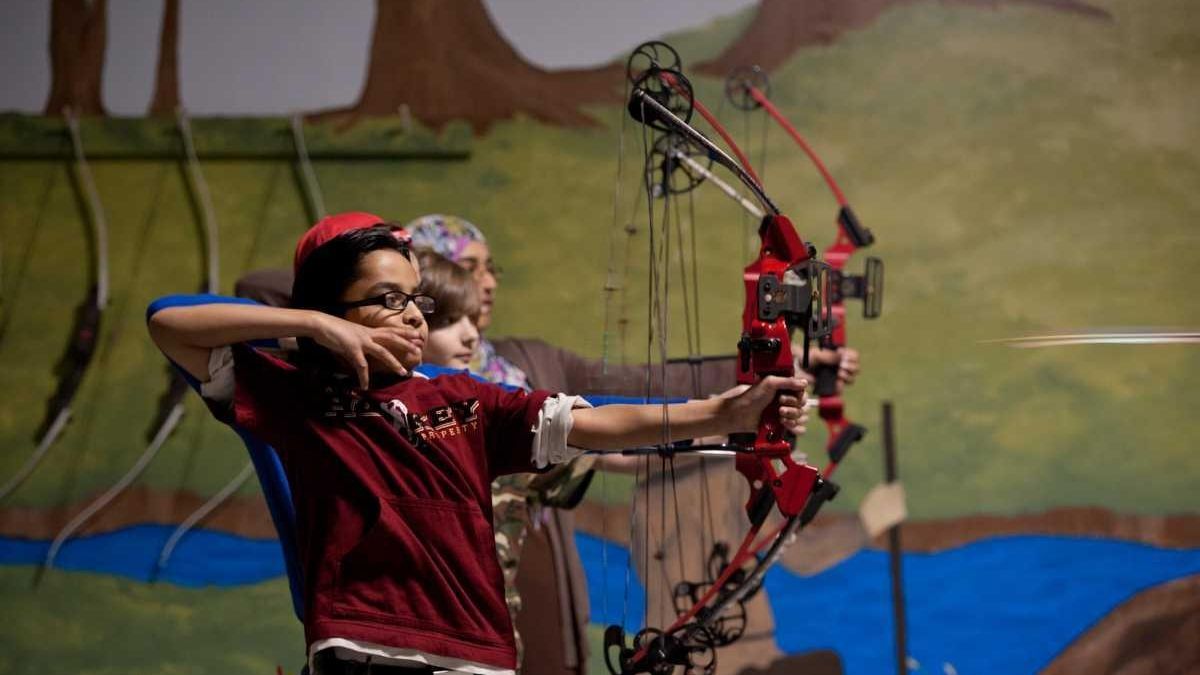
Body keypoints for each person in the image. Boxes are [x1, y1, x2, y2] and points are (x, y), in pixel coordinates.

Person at [148, 218, 810, 675]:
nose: (413, 316)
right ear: (334, 311)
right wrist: (311, 323)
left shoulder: (466, 397)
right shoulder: (300, 398)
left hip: (477, 651)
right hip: (364, 645)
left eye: (416, 301)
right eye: (387, 300)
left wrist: (726, 411)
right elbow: (172, 321)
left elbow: (601, 420)